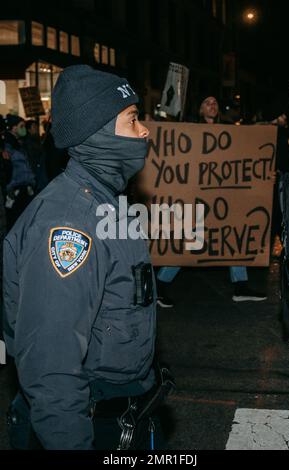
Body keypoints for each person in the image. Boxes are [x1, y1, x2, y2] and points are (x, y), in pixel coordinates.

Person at [3, 65, 171, 450]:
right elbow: (51, 365)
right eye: (132, 120)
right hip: (91, 426)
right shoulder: (68, 225)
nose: (144, 131)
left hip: (127, 413)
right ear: (98, 134)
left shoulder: (107, 201)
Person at [199, 95, 267, 302]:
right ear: (200, 109)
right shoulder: (190, 129)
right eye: (208, 103)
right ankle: (162, 284)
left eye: (215, 103)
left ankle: (240, 286)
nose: (213, 106)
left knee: (232, 235)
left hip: (224, 195)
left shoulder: (231, 131)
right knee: (191, 239)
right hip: (199, 196)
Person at [3, 114, 36, 230]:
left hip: (24, 189)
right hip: (15, 191)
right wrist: (10, 188)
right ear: (14, 128)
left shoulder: (19, 144)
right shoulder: (7, 147)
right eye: (21, 126)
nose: (24, 129)